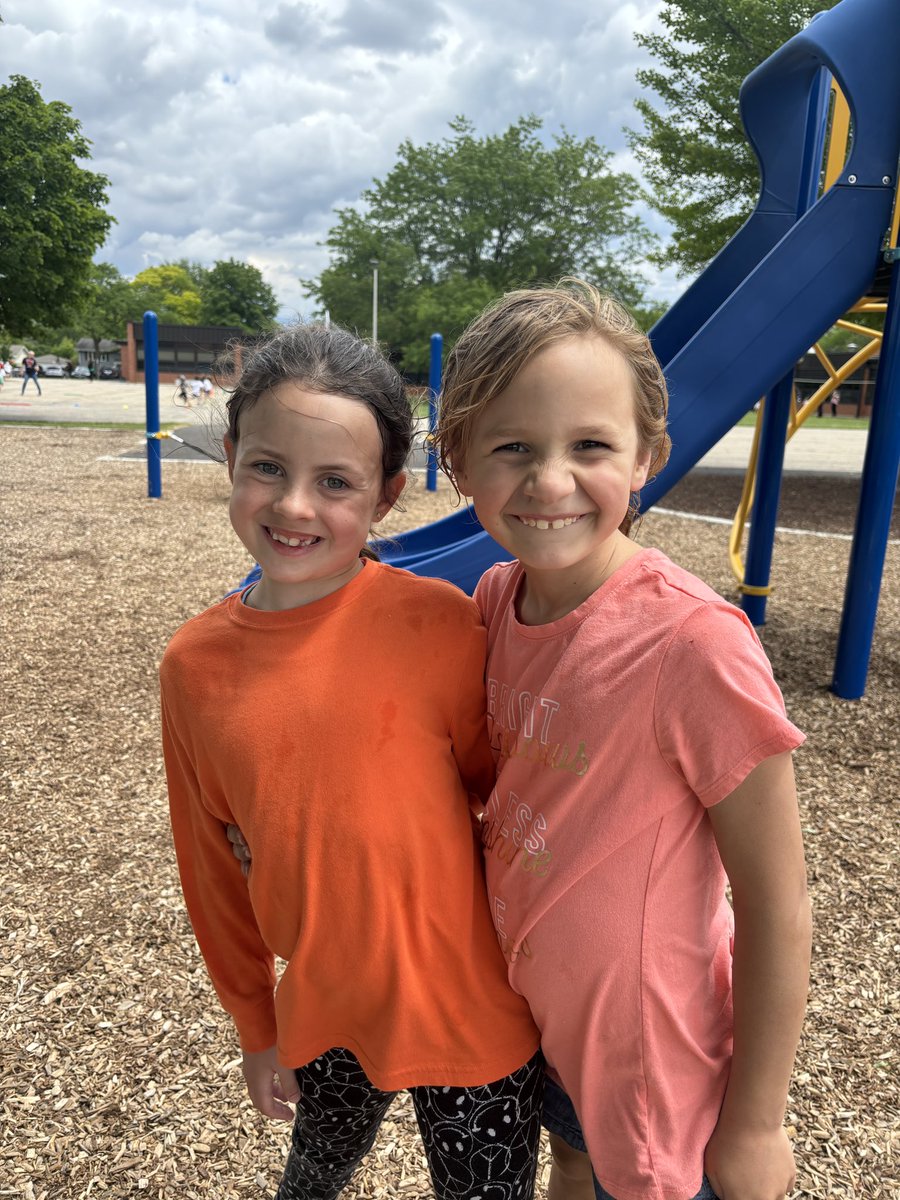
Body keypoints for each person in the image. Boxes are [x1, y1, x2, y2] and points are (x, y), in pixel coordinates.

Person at [431, 281, 812, 1200]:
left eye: (590, 446)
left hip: (653, 1068)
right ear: (459, 462)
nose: (549, 481)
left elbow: (777, 903)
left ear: (648, 457)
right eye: (512, 447)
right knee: (574, 1162)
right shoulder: (496, 600)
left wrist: (757, 1123)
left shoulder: (694, 644)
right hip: (547, 1021)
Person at [160, 322, 543, 1200]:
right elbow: (209, 865)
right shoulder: (194, 668)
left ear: (386, 495)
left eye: (335, 481)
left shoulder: (441, 625)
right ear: (231, 458)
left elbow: (504, 795)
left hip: (474, 1004)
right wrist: (255, 1025)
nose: (295, 506)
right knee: (313, 1176)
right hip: (327, 1007)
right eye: (268, 467)